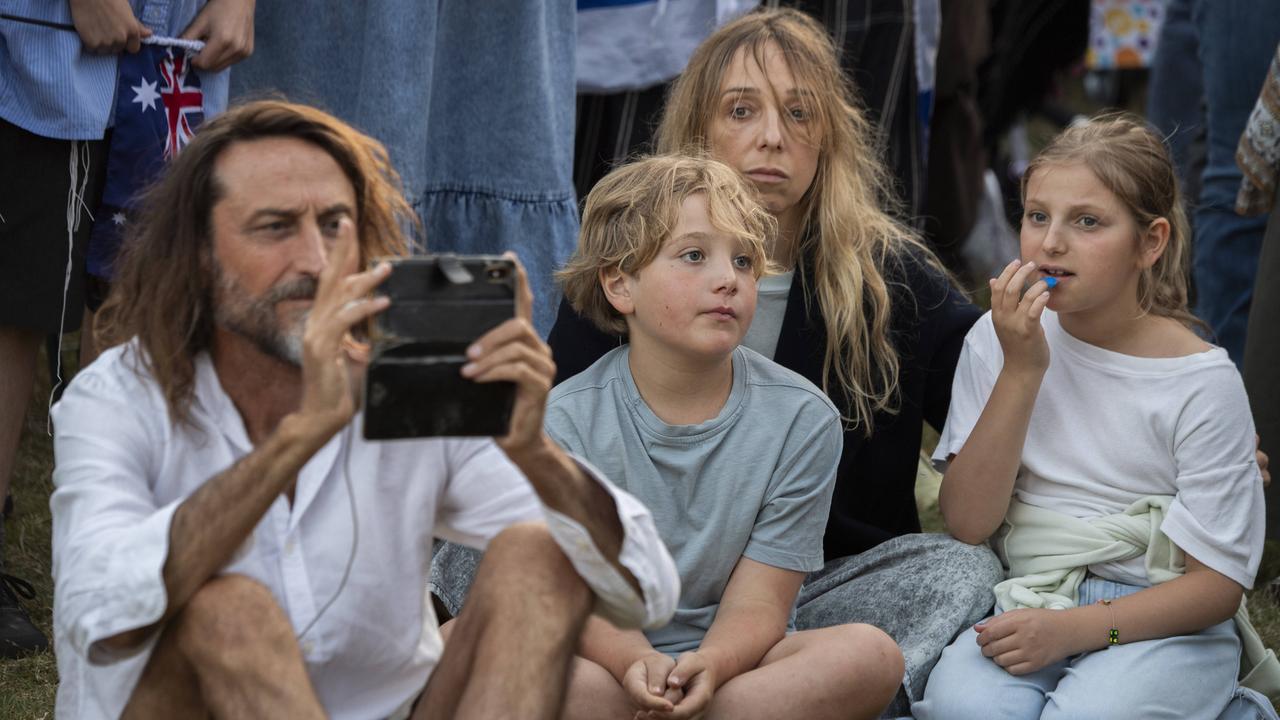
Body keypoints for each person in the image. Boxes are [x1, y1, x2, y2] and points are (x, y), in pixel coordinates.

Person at [440, 9, 1000, 713]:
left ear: (828, 137)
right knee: (488, 534)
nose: (773, 136)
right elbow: (546, 481)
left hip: (796, 588)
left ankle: (728, 693)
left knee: (957, 571)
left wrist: (1039, 355)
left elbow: (983, 399)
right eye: (742, 110)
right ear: (699, 127)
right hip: (608, 590)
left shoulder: (888, 276)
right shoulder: (634, 257)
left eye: (801, 114)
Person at [48, 100, 680, 720]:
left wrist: (534, 453)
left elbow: (645, 592)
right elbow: (97, 617)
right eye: (275, 227)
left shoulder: (407, 377)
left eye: (333, 225)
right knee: (228, 609)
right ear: (200, 256)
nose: (316, 261)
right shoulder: (122, 396)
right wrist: (301, 435)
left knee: (539, 554)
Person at [913, 114, 1277, 719]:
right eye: (1037, 216)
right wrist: (1022, 371)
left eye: (1087, 222)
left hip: (1161, 617)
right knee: (960, 709)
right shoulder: (998, 340)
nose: (1051, 242)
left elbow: (1216, 586)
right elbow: (970, 522)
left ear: (1150, 242)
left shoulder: (1201, 381)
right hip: (1032, 599)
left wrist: (1082, 631)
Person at [541, 154, 904, 720]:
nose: (727, 278)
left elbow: (760, 601)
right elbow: (573, 599)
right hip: (607, 661)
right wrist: (637, 663)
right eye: (693, 255)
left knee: (870, 656)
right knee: (465, 645)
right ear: (619, 283)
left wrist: (710, 666)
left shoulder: (802, 420)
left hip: (739, 666)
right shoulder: (563, 422)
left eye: (743, 260)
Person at [0, 0, 253, 659]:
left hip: (178, 58)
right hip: (42, 53)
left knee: (145, 307)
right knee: (12, 305)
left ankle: (113, 561)